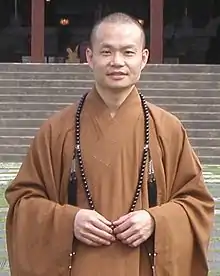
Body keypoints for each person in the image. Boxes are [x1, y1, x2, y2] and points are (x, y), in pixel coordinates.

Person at [5, 12, 214, 276]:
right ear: (89, 57)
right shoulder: (56, 130)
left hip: (143, 264)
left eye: (128, 52)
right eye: (106, 52)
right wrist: (69, 220)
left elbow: (196, 203)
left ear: (144, 58)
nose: (117, 62)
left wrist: (155, 220)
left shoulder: (168, 129)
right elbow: (22, 202)